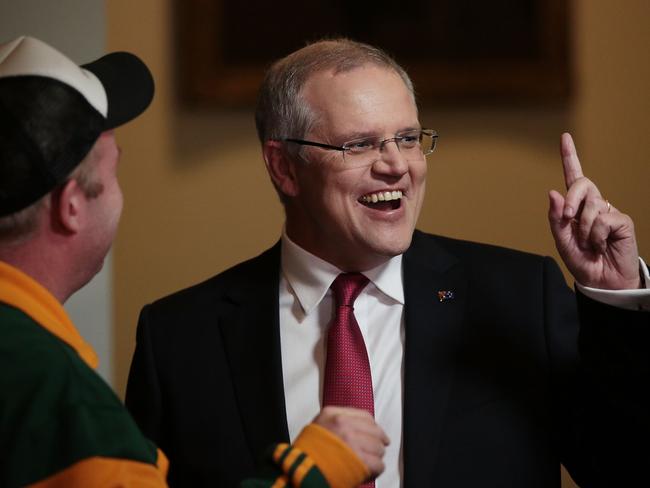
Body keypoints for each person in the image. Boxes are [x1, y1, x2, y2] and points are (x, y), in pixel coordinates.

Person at [125, 38, 649, 487]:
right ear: (283, 167)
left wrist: (615, 297)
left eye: (407, 138)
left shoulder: (517, 296)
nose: (396, 165)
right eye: (359, 144)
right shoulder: (177, 339)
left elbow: (624, 467)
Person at [0, 36, 387, 488]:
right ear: (71, 206)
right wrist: (309, 473)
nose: (393, 163)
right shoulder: (61, 405)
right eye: (113, 172)